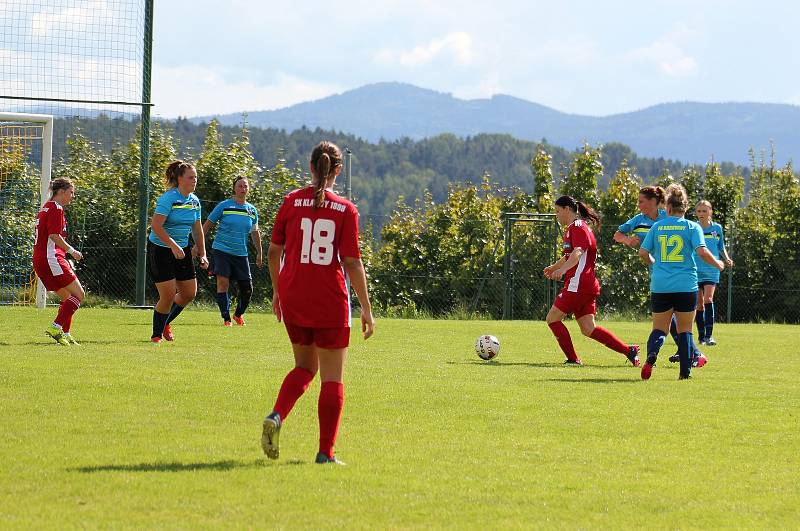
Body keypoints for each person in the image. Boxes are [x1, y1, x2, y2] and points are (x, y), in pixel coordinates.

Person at [261, 141, 375, 465]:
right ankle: (325, 453)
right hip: (329, 300)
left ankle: (277, 415)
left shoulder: (290, 201)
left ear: (310, 167)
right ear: (337, 170)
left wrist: (278, 290)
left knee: (304, 367)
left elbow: (273, 252)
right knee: (332, 378)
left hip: (294, 294)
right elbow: (352, 262)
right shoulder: (346, 209)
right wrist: (366, 308)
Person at [638, 184, 725, 380]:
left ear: (667, 208)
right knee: (685, 330)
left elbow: (643, 253)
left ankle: (651, 356)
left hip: (660, 285)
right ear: (685, 208)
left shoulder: (657, 226)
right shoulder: (692, 227)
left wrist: (654, 263)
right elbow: (702, 251)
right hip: (686, 285)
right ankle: (684, 374)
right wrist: (718, 264)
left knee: (659, 328)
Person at [544, 195, 640, 367]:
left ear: (567, 209)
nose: (557, 215)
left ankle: (573, 359)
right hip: (585, 284)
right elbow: (570, 256)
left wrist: (563, 271)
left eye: (558, 211)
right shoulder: (574, 228)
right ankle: (629, 350)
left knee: (552, 318)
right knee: (588, 329)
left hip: (578, 284)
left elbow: (578, 252)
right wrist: (554, 267)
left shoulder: (578, 226)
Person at [613, 185, 704, 362]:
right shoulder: (637, 220)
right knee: (670, 320)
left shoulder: (667, 217)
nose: (639, 205)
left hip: (675, 275)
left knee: (671, 320)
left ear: (655, 202)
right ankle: (690, 353)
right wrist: (627, 239)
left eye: (642, 201)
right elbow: (617, 234)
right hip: (658, 275)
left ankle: (692, 353)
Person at [147, 160, 208, 343]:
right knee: (167, 295)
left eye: (196, 177)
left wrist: (203, 253)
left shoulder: (194, 201)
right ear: (180, 178)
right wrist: (173, 245)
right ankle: (156, 336)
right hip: (161, 249)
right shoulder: (169, 198)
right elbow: (156, 226)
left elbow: (197, 230)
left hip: (182, 250)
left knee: (189, 293)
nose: (194, 180)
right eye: (190, 177)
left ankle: (166, 322)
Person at [202, 176, 263, 326]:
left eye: (245, 186)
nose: (243, 189)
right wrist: (199, 245)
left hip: (241, 254)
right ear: (234, 189)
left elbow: (255, 233)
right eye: (240, 186)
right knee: (223, 283)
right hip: (221, 250)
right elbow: (207, 225)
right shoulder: (224, 206)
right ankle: (226, 318)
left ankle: (238, 314)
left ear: (248, 189)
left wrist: (260, 253)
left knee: (247, 289)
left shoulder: (252, 210)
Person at [33, 177, 85, 346]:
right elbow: (54, 236)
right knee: (79, 295)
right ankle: (56, 327)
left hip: (41, 260)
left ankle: (65, 332)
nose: (72, 196)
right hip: (51, 259)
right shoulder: (56, 208)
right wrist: (72, 251)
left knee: (67, 298)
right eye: (71, 192)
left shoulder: (45, 208)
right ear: (61, 192)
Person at [692, 200, 733, 346]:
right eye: (699, 211)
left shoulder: (717, 228)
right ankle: (701, 337)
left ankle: (709, 336)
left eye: (704, 211)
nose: (701, 214)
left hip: (711, 269)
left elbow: (721, 246)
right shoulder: (693, 227)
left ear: (710, 212)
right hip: (695, 269)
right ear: (696, 213)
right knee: (699, 305)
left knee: (708, 299)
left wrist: (726, 258)